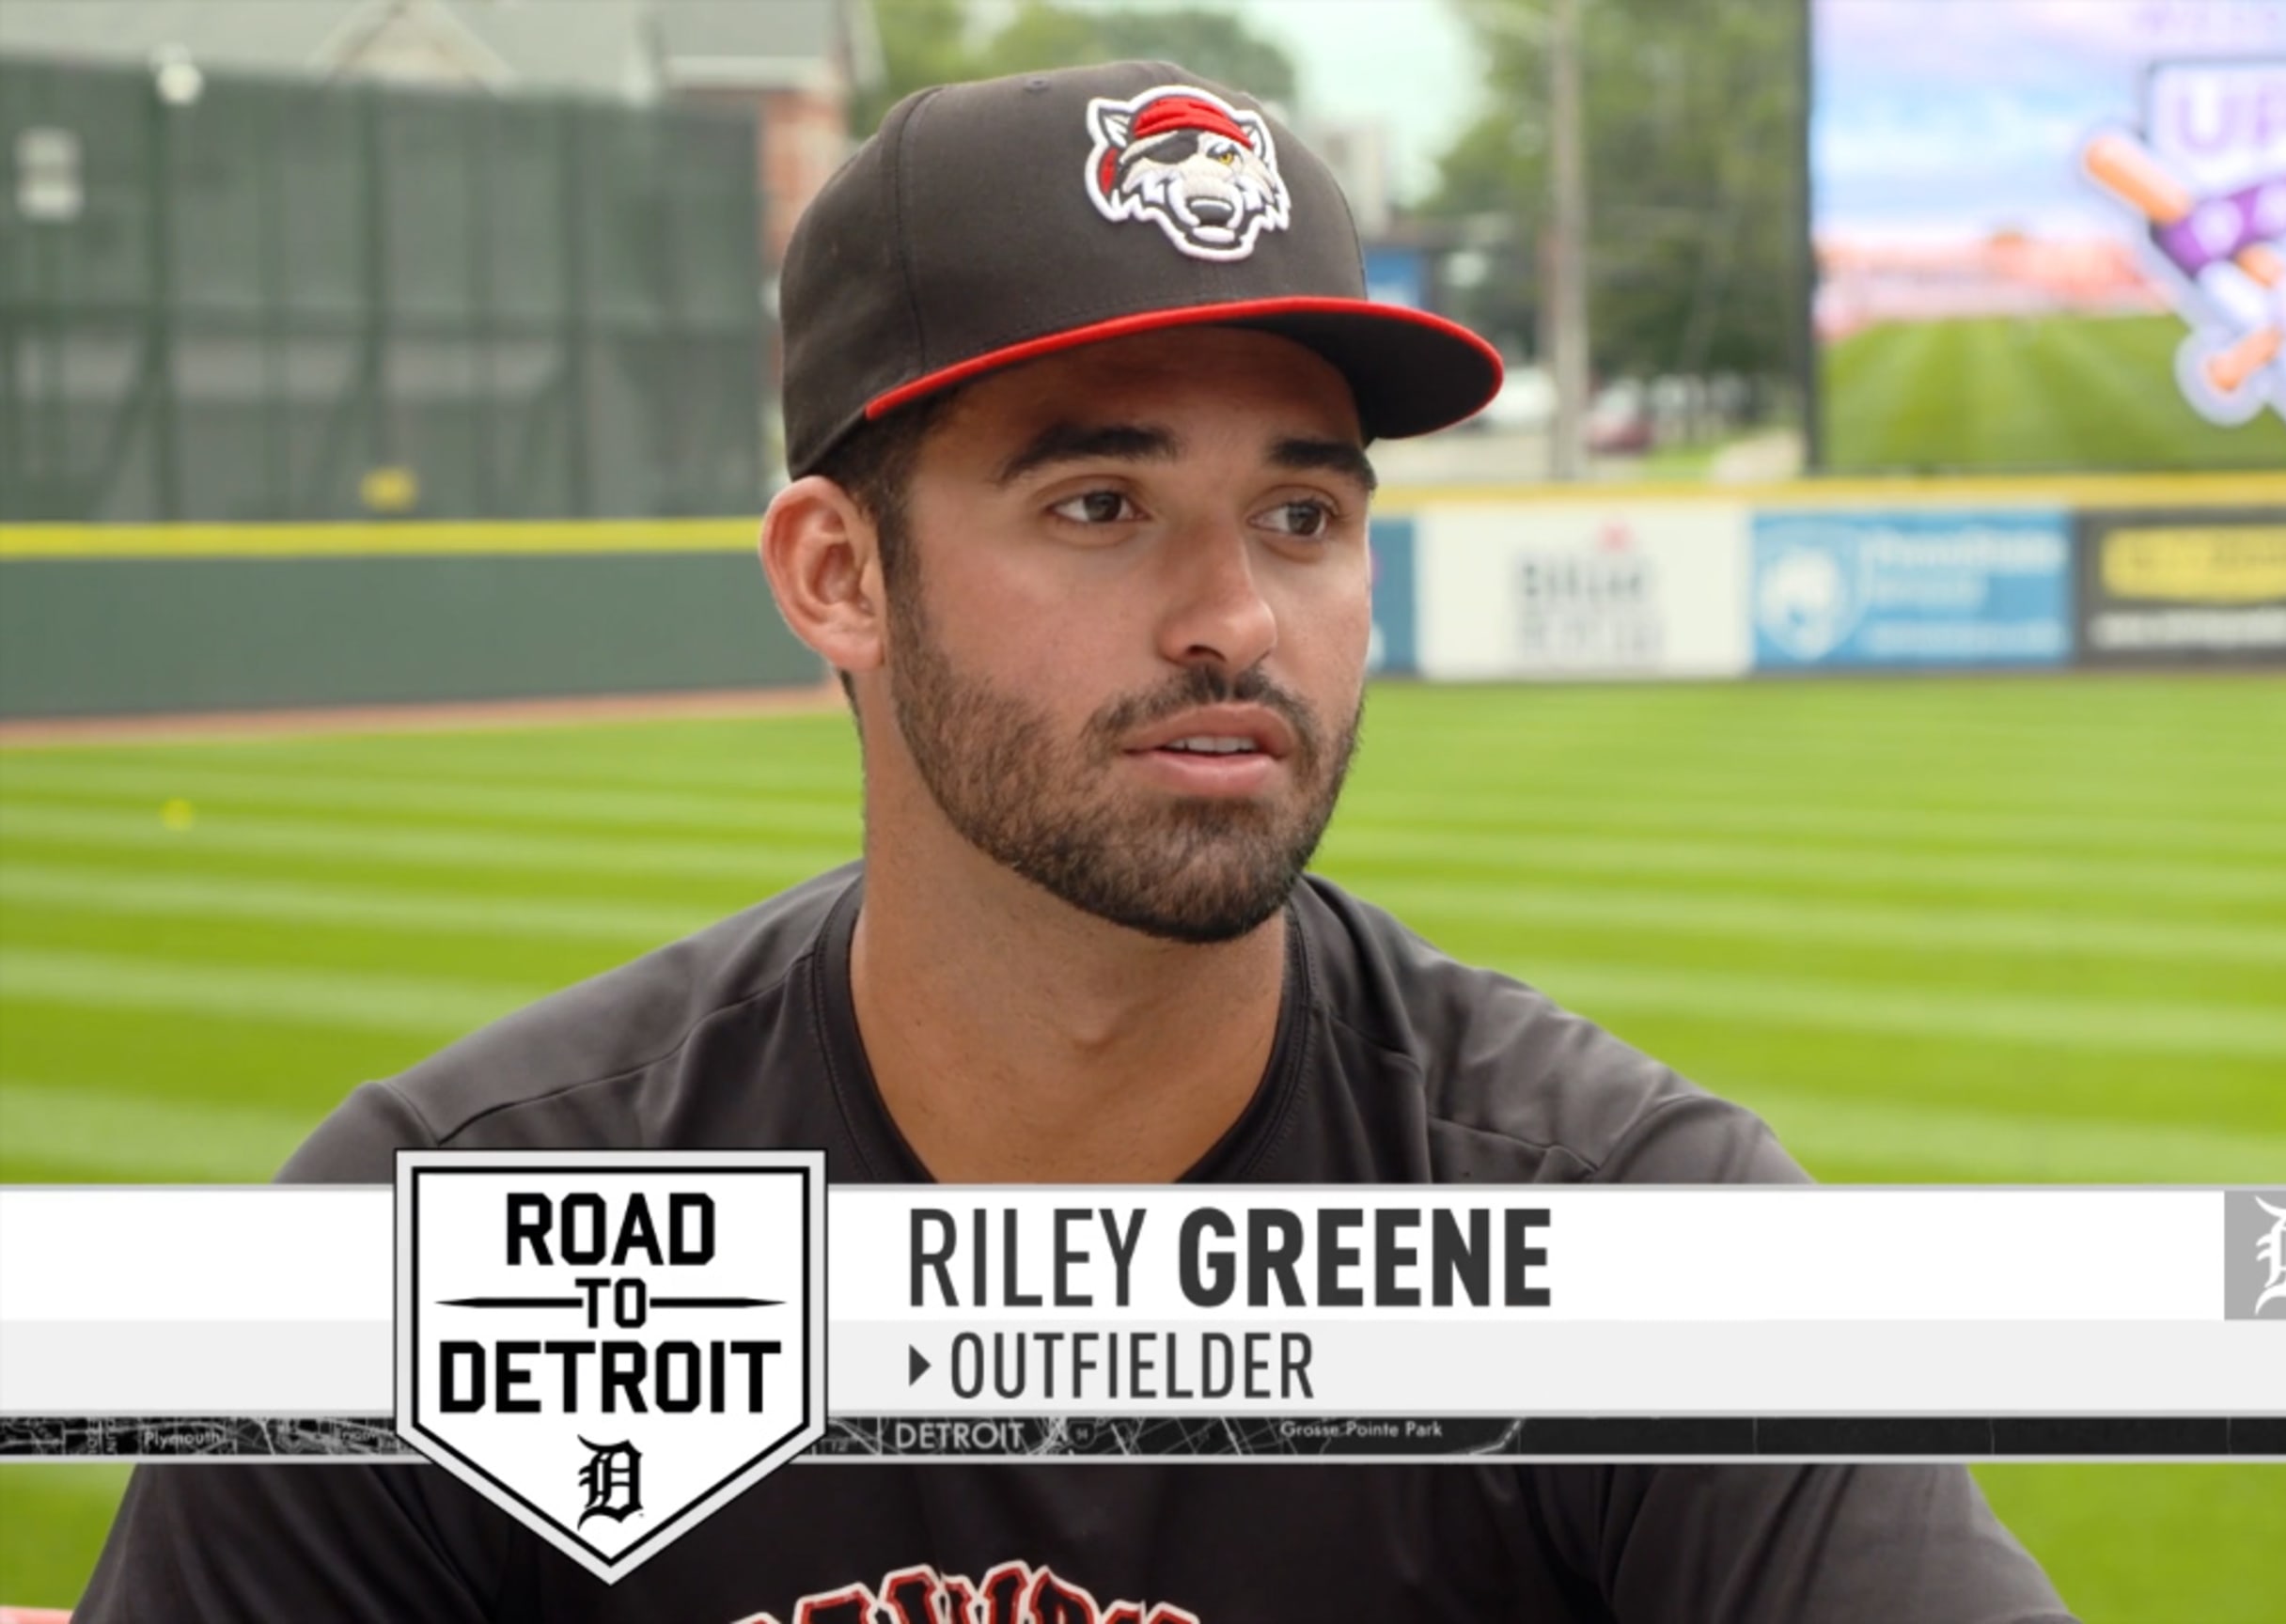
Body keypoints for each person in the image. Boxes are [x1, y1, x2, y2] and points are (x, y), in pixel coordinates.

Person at [78, 62, 2073, 1623]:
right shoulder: (457, 1250)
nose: (1237, 619)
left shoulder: (1634, 1242)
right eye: (1101, 506)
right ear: (837, 571)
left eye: (1303, 516)